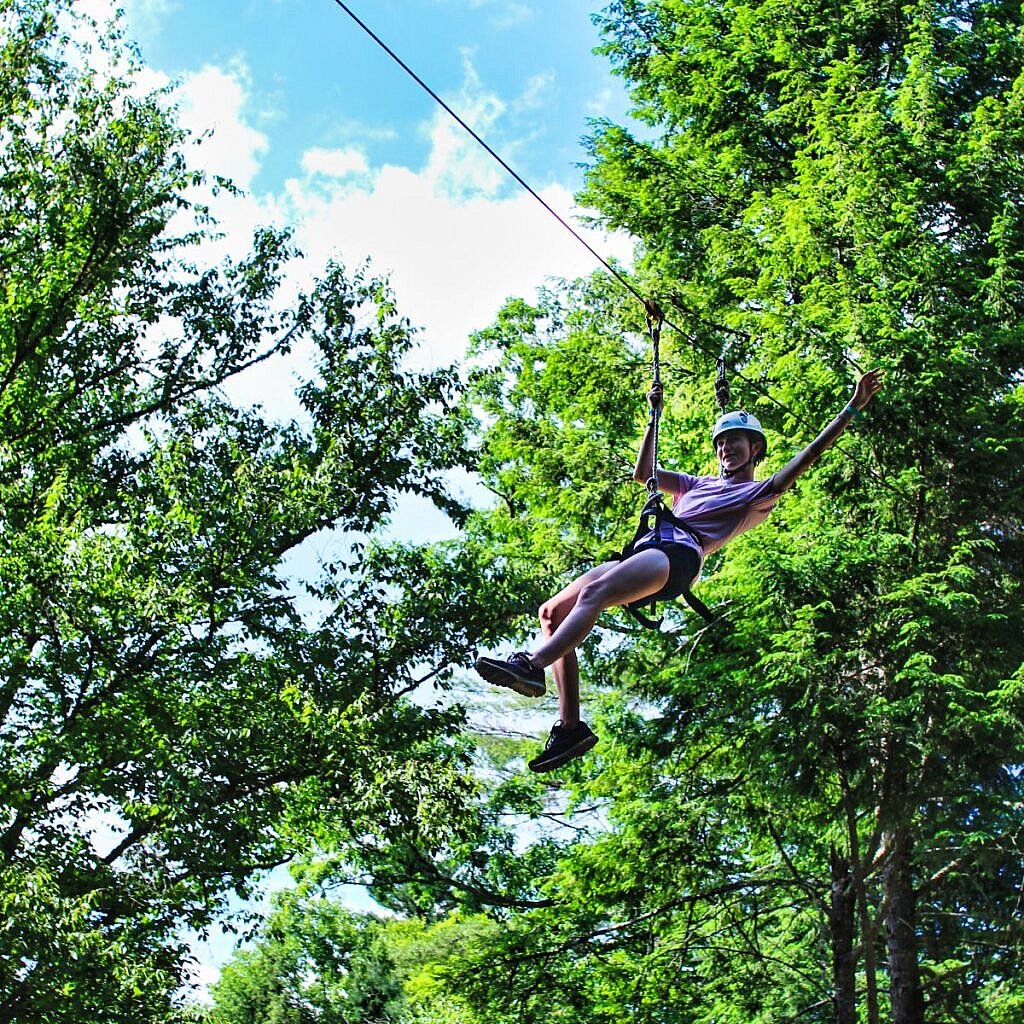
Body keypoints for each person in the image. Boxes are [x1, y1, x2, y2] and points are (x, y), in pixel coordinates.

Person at [475, 369, 884, 772]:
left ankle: (531, 664)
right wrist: (654, 415)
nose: (727, 449)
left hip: (679, 556)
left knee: (593, 596)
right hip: (646, 549)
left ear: (755, 449)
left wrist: (852, 408)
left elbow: (809, 455)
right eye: (721, 443)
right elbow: (644, 474)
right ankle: (570, 727)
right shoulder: (697, 483)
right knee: (552, 612)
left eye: (736, 442)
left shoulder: (757, 494)